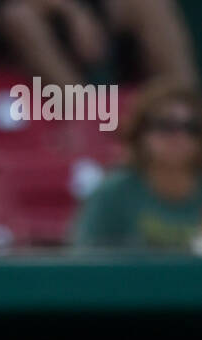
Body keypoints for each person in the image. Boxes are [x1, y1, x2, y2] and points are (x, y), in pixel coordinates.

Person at [0, 0, 197, 89]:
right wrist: (70, 10)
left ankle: (187, 105)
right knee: (17, 15)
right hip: (38, 9)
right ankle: (84, 113)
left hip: (99, 6)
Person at [73, 78, 202, 249]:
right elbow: (83, 262)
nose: (179, 137)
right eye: (166, 126)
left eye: (190, 128)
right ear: (141, 133)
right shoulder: (113, 194)